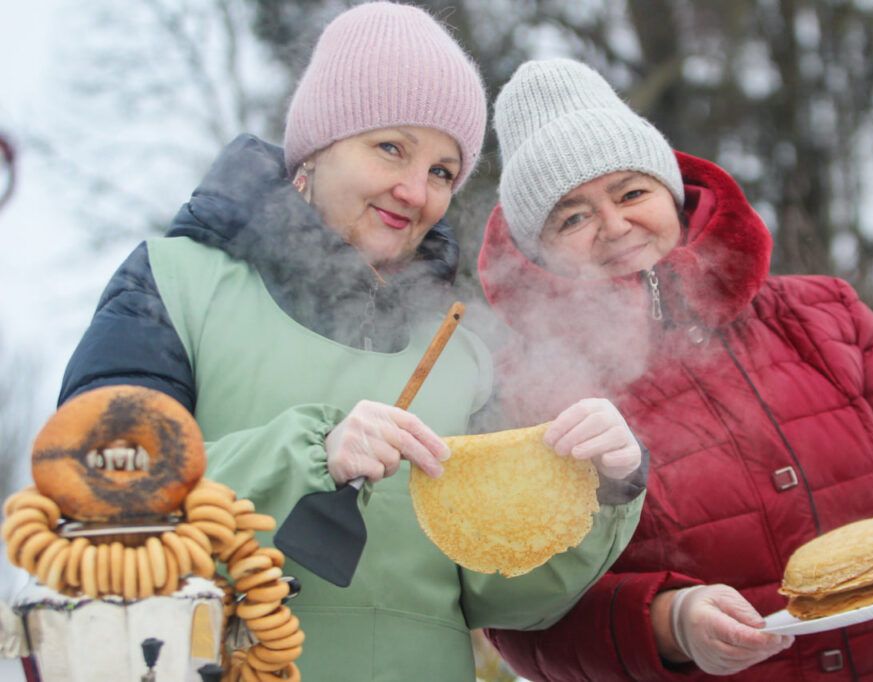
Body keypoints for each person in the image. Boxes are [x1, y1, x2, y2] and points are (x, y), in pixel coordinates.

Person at [57, 12, 646, 680]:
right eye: (391, 148)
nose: (415, 192)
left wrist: (598, 492)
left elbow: (504, 592)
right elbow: (92, 495)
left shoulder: (462, 350)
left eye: (443, 171)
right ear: (317, 146)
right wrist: (308, 456)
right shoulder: (174, 282)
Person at [479, 58, 873, 680]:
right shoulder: (524, 393)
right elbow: (521, 618)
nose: (614, 224)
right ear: (537, 248)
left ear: (673, 194)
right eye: (571, 216)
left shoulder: (823, 314)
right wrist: (671, 622)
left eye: (632, 191)